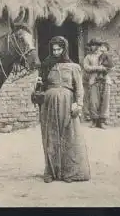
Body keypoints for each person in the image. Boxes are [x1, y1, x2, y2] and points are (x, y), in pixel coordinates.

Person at [32, 36, 90, 183]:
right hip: (49, 105)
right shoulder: (46, 65)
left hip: (67, 103)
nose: (56, 52)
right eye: (54, 49)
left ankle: (68, 172)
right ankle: (51, 171)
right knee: (50, 137)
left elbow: (79, 88)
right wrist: (38, 83)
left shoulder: (74, 67)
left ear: (64, 49)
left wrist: (79, 104)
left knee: (68, 136)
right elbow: (41, 87)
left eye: (59, 49)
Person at [83, 39, 114, 129]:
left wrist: (106, 69)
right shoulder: (88, 57)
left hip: (105, 80)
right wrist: (98, 68)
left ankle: (102, 121)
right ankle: (94, 121)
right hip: (93, 81)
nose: (92, 47)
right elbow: (86, 67)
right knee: (93, 101)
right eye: (91, 45)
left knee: (105, 101)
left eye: (95, 45)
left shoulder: (105, 55)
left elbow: (112, 67)